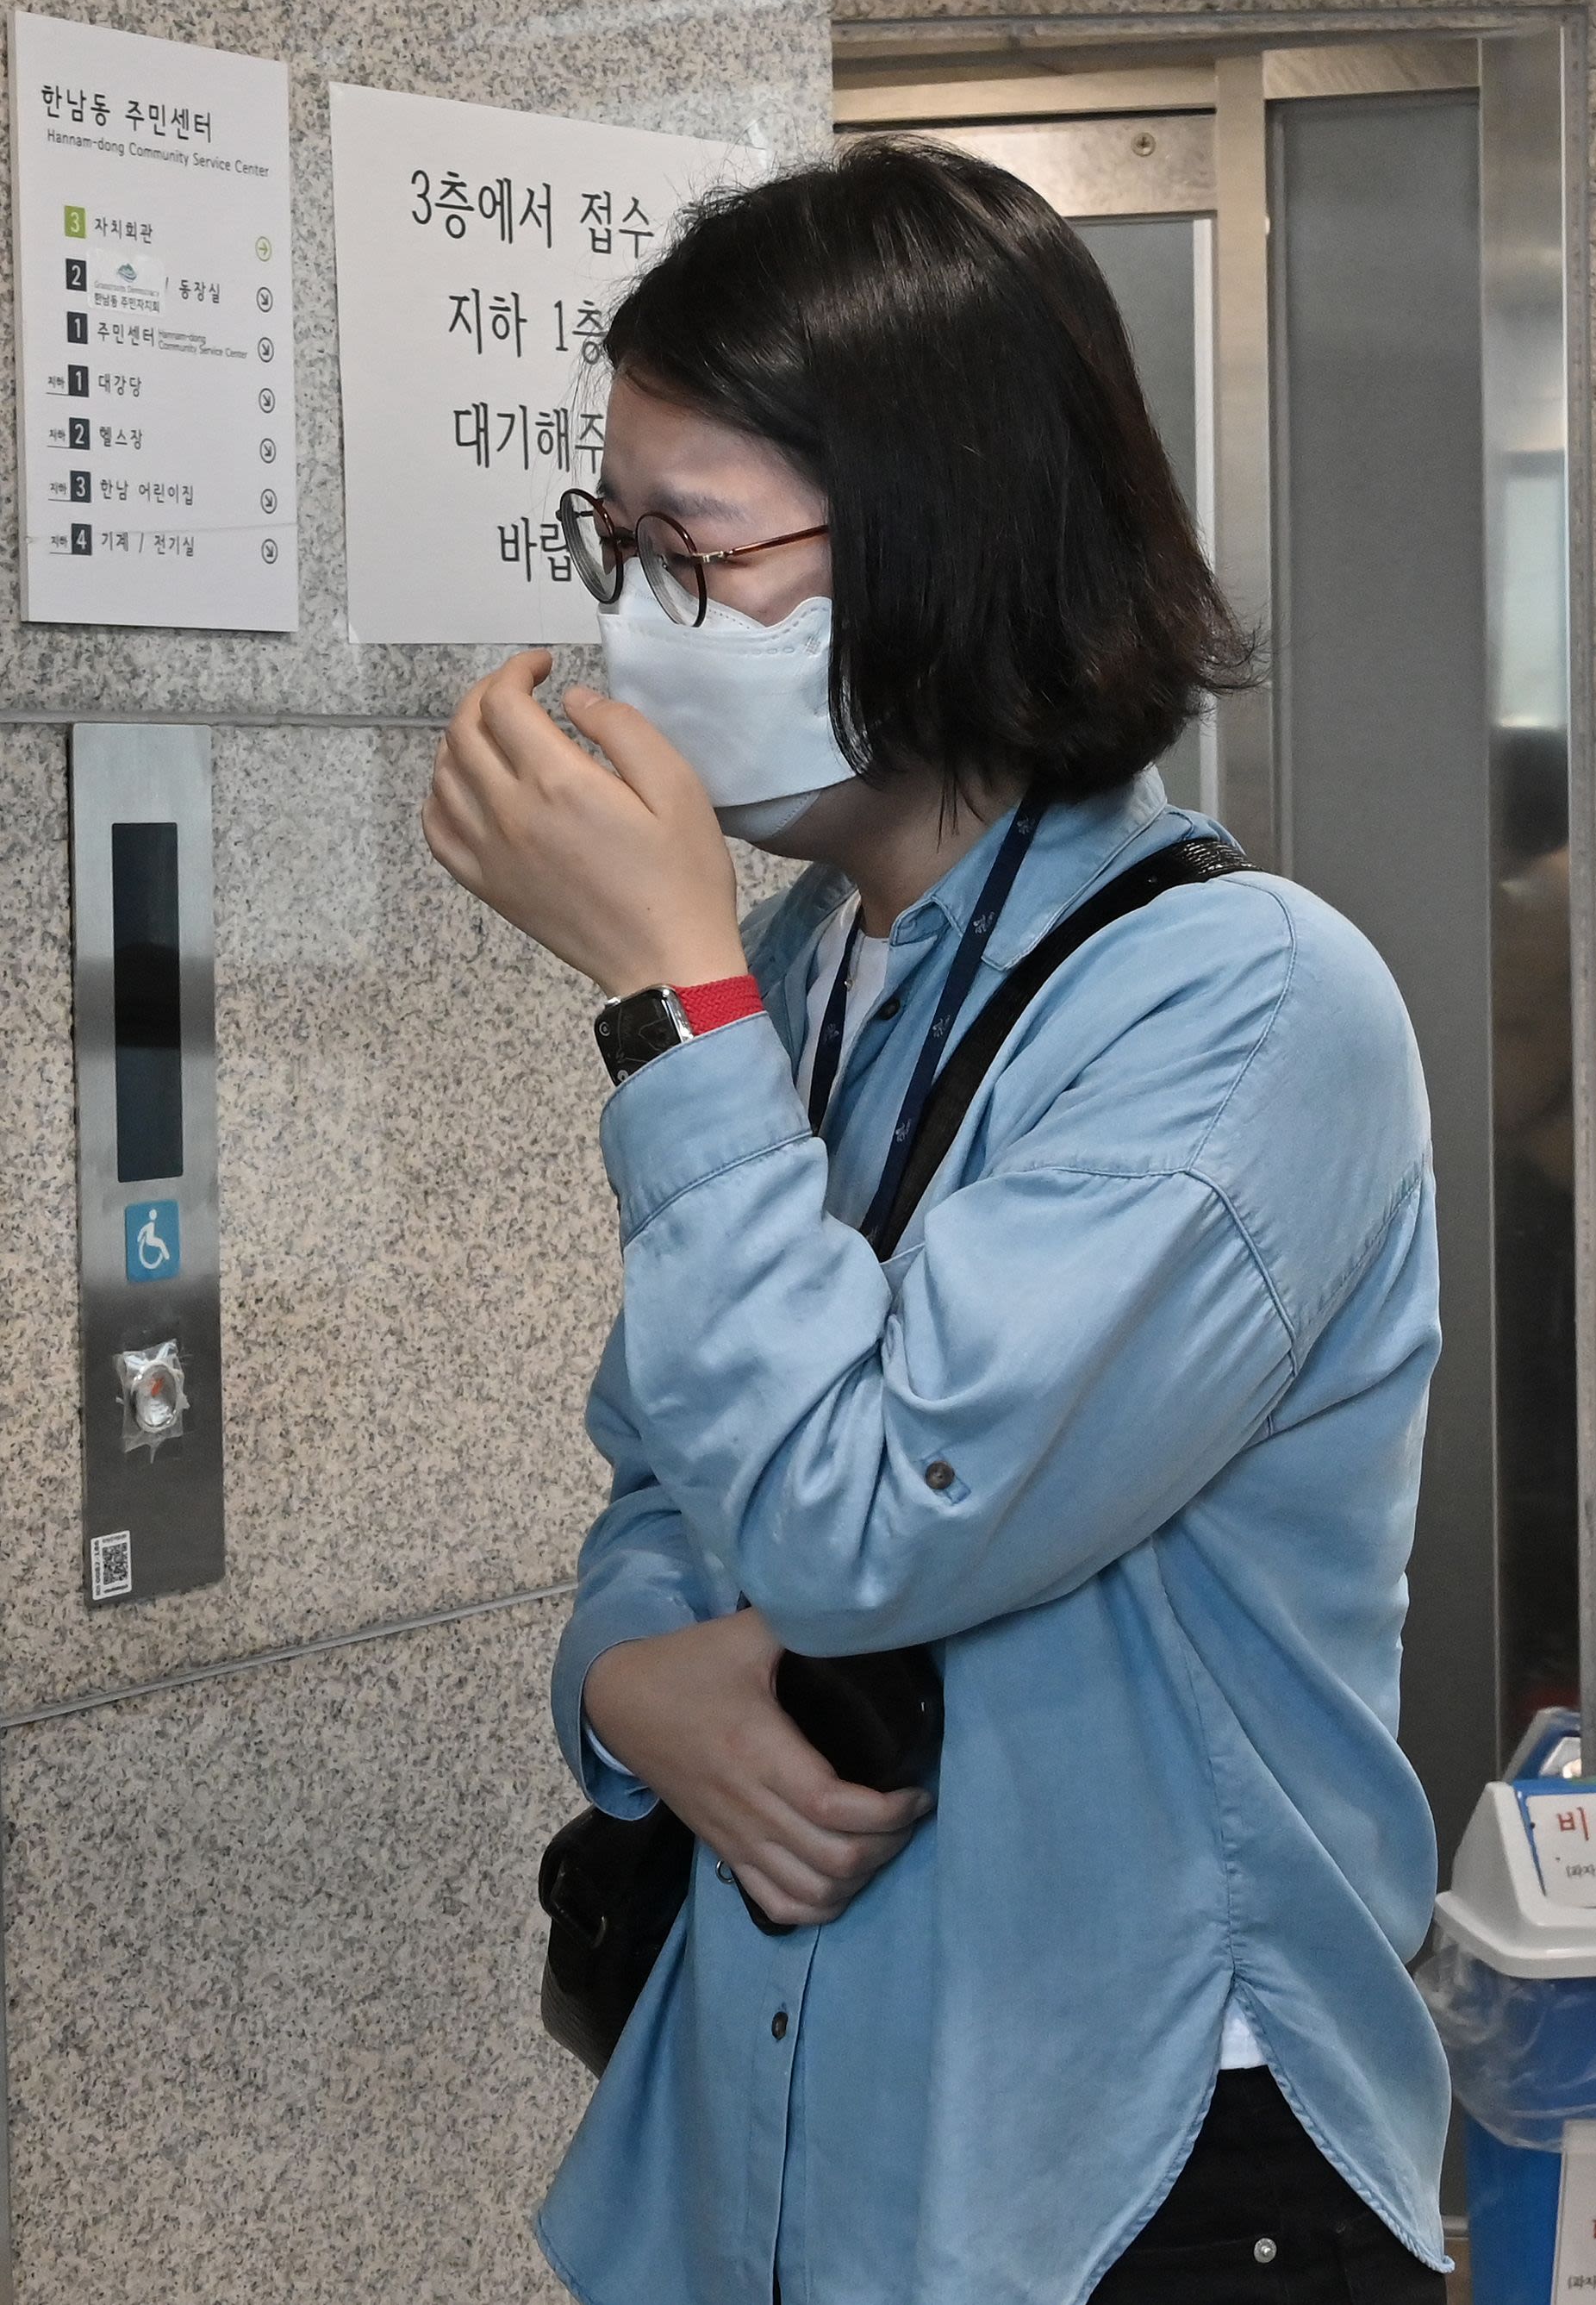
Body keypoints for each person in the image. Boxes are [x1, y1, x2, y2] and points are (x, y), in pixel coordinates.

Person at [420, 141, 1452, 2304]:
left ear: (941, 545)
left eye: (692, 553)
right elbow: (662, 1474)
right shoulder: (815, 963)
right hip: (811, 2115)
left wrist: (672, 1001)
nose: (631, 630)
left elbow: (862, 1519)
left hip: (1138, 2147)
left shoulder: (1250, 998)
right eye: (612, 549)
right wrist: (627, 1682)